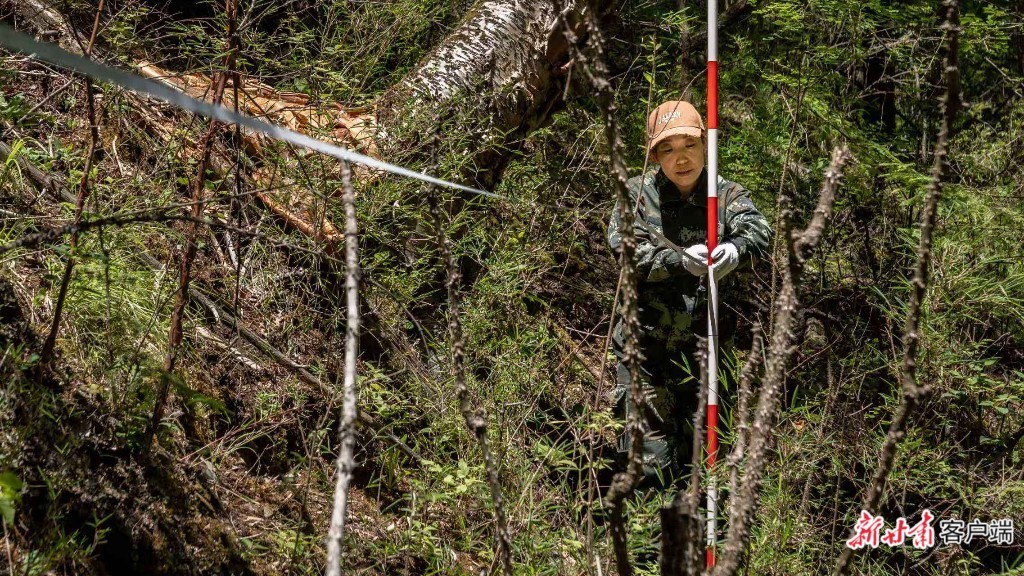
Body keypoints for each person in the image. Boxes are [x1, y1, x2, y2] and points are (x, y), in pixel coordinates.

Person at [606, 100, 771, 484]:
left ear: (704, 145)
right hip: (646, 353)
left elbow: (758, 231)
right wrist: (678, 261)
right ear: (654, 155)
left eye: (689, 146)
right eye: (668, 149)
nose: (680, 159)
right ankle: (650, 539)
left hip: (707, 351)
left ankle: (705, 538)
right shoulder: (636, 195)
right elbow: (626, 252)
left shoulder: (723, 194)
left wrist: (735, 249)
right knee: (647, 462)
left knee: (709, 462)